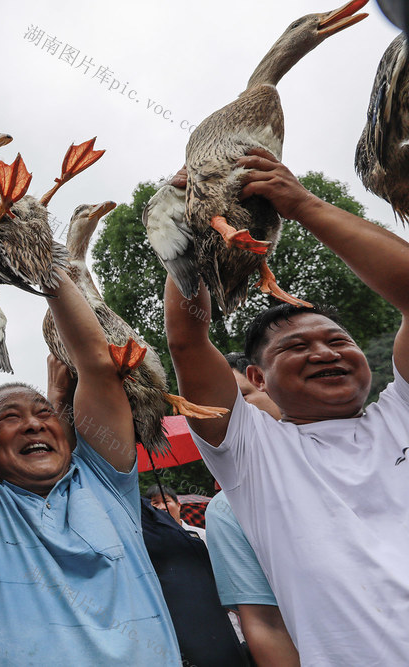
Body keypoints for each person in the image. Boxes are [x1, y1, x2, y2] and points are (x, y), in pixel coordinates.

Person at [164, 148, 409, 664]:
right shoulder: (253, 454)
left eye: (339, 342)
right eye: (296, 347)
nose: (324, 352)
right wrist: (189, 219)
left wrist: (302, 205)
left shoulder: (401, 414)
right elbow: (187, 340)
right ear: (257, 378)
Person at [0, 268, 180, 665]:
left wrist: (44, 265)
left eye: (43, 413)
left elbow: (96, 364)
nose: (34, 423)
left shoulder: (106, 481)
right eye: (9, 417)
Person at [207, 355, 298, 665]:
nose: (238, 414)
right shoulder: (227, 510)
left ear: (264, 383)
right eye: (220, 408)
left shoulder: (353, 450)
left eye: (243, 396)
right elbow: (265, 623)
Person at [139, 497, 248, 667]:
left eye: (166, 501)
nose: (161, 507)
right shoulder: (144, 536)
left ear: (178, 504)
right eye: (155, 503)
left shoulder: (202, 535)